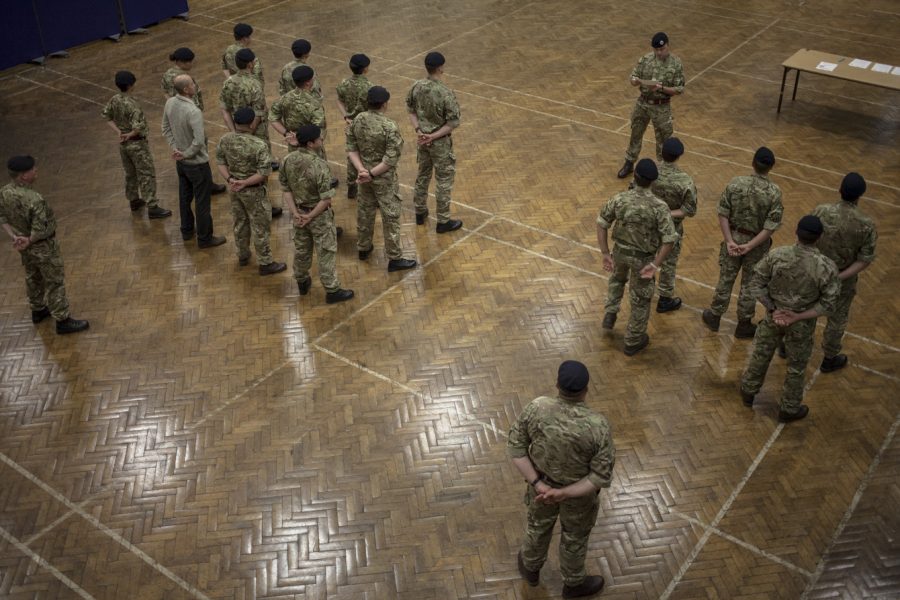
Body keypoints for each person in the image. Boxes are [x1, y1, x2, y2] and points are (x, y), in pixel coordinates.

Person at [508, 360, 614, 598]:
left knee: (537, 527)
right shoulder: (598, 426)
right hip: (579, 498)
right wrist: (564, 493)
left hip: (540, 490)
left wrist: (539, 485)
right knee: (574, 537)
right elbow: (600, 476)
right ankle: (574, 584)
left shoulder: (537, 407)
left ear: (557, 384)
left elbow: (516, 449)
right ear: (586, 390)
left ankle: (530, 567)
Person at [740, 216, 839, 422]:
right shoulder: (826, 267)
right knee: (796, 367)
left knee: (760, 355)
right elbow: (829, 305)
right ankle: (789, 409)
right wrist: (798, 315)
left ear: (796, 232)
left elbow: (755, 284)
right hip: (801, 325)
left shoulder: (776, 255)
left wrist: (773, 308)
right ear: (819, 238)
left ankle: (748, 393)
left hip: (772, 317)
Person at [0, 156, 89, 334]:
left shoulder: (4, 192)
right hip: (43, 247)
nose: (36, 171)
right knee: (55, 281)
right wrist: (30, 240)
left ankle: (38, 310)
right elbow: (40, 229)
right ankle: (62, 320)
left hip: (23, 246)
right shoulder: (35, 199)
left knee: (33, 276)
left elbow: (2, 217)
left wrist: (15, 237)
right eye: (33, 169)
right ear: (23, 176)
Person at [597, 159, 677, 356]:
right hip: (643, 259)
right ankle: (633, 340)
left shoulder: (620, 199)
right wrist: (656, 264)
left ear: (635, 177)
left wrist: (606, 253)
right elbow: (670, 240)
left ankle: (611, 311)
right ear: (653, 181)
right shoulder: (660, 207)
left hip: (620, 252)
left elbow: (602, 223)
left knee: (616, 280)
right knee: (640, 299)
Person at [702, 147, 783, 338]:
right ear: (771, 167)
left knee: (725, 278)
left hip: (733, 238)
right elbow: (770, 226)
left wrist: (730, 240)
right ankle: (744, 324)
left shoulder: (736, 183)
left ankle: (714, 316)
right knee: (750, 284)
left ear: (752, 162)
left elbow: (723, 212)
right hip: (756, 244)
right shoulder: (774, 193)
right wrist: (750, 245)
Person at [809, 172, 877, 372]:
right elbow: (865, 259)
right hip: (842, 279)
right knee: (837, 318)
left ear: (840, 190)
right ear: (860, 195)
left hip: (815, 271)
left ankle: (788, 345)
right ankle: (829, 358)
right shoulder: (866, 224)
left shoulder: (821, 211)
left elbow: (807, 239)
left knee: (804, 308)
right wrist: (839, 276)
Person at [280, 125, 354, 304]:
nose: (322, 140)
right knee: (326, 251)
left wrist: (296, 212)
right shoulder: (320, 165)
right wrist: (311, 216)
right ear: (311, 143)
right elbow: (326, 199)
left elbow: (286, 189)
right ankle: (332, 289)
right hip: (318, 216)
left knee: (302, 249)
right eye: (319, 139)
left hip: (299, 213)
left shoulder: (287, 160)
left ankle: (302, 280)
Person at [348, 86, 417, 272]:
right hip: (383, 179)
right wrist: (371, 173)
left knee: (365, 211)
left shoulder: (358, 120)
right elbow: (390, 159)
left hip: (363, 177)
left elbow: (351, 149)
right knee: (391, 216)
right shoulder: (389, 126)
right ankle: (394, 258)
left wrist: (362, 170)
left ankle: (363, 247)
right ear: (384, 104)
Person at [216, 108, 286, 275]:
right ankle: (265, 262)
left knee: (240, 222)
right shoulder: (258, 145)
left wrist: (230, 180)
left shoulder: (225, 140)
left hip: (234, 190)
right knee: (260, 226)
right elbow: (264, 172)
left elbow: (220, 162)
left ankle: (243, 254)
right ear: (251, 122)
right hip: (253, 191)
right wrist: (244, 183)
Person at [162, 75, 226, 248]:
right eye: (192, 83)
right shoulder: (193, 111)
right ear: (186, 89)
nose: (195, 85)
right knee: (202, 202)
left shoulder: (170, 103)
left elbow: (165, 128)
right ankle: (205, 238)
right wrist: (186, 153)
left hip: (181, 164)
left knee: (184, 197)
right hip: (197, 164)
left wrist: (176, 149)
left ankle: (187, 230)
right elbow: (198, 141)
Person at [102, 70, 172, 219]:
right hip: (137, 145)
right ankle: (152, 206)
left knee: (130, 174)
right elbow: (138, 127)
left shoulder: (114, 99)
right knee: (146, 174)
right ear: (130, 85)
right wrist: (130, 134)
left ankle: (134, 200)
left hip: (124, 145)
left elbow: (107, 116)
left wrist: (119, 132)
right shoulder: (133, 105)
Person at [406, 51, 463, 233]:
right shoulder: (445, 93)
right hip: (439, 143)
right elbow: (453, 122)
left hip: (422, 141)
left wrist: (419, 131)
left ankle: (420, 211)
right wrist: (434, 135)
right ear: (440, 68)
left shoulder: (416, 86)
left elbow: (411, 110)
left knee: (422, 175)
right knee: (443, 180)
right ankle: (443, 221)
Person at [617, 32, 685, 179]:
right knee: (636, 133)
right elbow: (633, 77)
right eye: (656, 50)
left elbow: (679, 89)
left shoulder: (676, 64)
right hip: (643, 103)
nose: (659, 52)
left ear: (668, 45)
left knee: (663, 139)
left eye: (662, 49)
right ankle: (629, 162)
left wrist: (661, 88)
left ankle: (662, 170)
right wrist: (635, 81)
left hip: (661, 106)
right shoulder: (645, 60)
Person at [162, 47, 227, 195]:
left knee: (181, 145)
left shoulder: (167, 75)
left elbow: (165, 93)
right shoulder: (185, 79)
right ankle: (207, 183)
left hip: (175, 113)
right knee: (200, 148)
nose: (191, 65)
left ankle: (189, 181)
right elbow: (195, 100)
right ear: (182, 62)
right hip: (190, 116)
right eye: (189, 62)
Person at [220, 48, 281, 180]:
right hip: (256, 130)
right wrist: (250, 131)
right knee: (261, 163)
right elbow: (258, 113)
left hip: (238, 127)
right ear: (250, 64)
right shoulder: (254, 84)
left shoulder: (228, 83)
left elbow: (225, 110)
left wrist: (234, 132)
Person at [649, 137, 695, 312]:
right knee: (668, 262)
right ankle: (664, 299)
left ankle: (646, 290)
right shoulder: (685, 181)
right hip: (672, 227)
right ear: (679, 156)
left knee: (649, 256)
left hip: (651, 225)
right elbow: (689, 210)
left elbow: (636, 192)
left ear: (662, 152)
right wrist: (667, 213)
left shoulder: (650, 172)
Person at [336, 53, 373, 199]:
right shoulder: (369, 87)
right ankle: (367, 187)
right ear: (365, 69)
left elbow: (339, 101)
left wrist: (346, 115)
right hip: (365, 126)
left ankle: (351, 187)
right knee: (368, 156)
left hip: (350, 125)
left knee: (352, 154)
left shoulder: (344, 83)